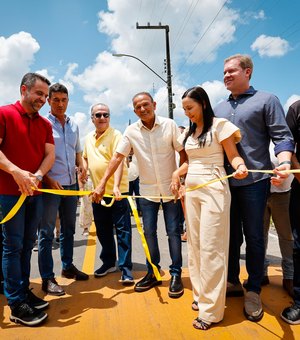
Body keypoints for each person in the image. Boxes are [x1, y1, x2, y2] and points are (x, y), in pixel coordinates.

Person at [214, 54, 294, 322]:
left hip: (255, 184)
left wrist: (283, 162)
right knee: (230, 237)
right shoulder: (218, 109)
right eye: (224, 72)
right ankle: (233, 281)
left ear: (248, 72)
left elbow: (282, 137)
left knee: (255, 237)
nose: (226, 75)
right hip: (225, 183)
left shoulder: (267, 100)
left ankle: (254, 289)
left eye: (231, 71)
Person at [91, 92, 186, 298]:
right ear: (134, 111)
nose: (142, 109)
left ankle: (176, 274)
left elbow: (183, 152)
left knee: (173, 232)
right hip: (147, 192)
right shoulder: (131, 131)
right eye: (138, 107)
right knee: (148, 233)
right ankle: (153, 271)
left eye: (146, 104)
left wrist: (180, 176)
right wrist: (101, 184)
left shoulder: (169, 125)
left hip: (171, 190)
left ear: (153, 104)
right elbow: (117, 157)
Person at [171, 86, 248, 330]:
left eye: (190, 108)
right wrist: (176, 173)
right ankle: (201, 295)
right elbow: (191, 162)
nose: (187, 113)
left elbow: (233, 155)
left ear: (203, 103)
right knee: (194, 245)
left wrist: (240, 166)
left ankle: (212, 312)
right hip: (192, 190)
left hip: (214, 189)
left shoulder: (220, 125)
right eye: (184, 110)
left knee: (212, 247)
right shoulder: (191, 133)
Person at [0, 73, 55, 326]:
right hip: (9, 195)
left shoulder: (44, 124)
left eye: (45, 96)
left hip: (35, 194)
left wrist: (39, 174)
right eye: (39, 94)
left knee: (27, 243)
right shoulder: (4, 114)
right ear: (24, 89)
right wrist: (17, 172)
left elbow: (49, 155)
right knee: (12, 246)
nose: (43, 99)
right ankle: (15, 303)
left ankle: (23, 292)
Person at [38, 83, 89, 298]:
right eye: (56, 99)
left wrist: (82, 168)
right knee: (47, 233)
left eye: (64, 100)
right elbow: (37, 158)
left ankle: (67, 266)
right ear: (48, 101)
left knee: (69, 229)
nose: (60, 104)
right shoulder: (41, 124)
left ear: (68, 101)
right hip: (50, 187)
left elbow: (77, 154)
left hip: (70, 185)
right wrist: (48, 179)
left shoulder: (74, 125)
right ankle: (47, 278)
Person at [83, 103, 133, 284]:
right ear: (92, 118)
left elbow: (118, 161)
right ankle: (109, 262)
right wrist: (83, 169)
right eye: (98, 115)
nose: (102, 118)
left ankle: (126, 268)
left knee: (122, 231)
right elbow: (86, 158)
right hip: (97, 192)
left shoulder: (116, 135)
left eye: (106, 114)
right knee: (103, 230)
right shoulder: (88, 138)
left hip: (116, 192)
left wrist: (117, 186)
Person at [262, 147, 294, 297]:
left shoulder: (287, 137)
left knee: (286, 236)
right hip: (259, 192)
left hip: (283, 193)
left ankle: (289, 276)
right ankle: (260, 273)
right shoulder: (259, 133)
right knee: (259, 236)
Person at [282, 99, 300, 324]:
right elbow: (287, 144)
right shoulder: (296, 109)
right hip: (299, 186)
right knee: (299, 246)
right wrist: (297, 173)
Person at [78, 171, 93, 236]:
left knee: (100, 203)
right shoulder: (84, 160)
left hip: (99, 178)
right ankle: (85, 227)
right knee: (85, 205)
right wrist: (81, 187)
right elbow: (80, 171)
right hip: (87, 180)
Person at [127, 148, 141, 216]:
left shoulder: (137, 155)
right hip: (127, 179)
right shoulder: (124, 155)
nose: (131, 150)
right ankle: (130, 210)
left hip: (137, 178)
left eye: (132, 149)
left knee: (138, 195)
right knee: (129, 196)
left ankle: (139, 210)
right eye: (130, 149)